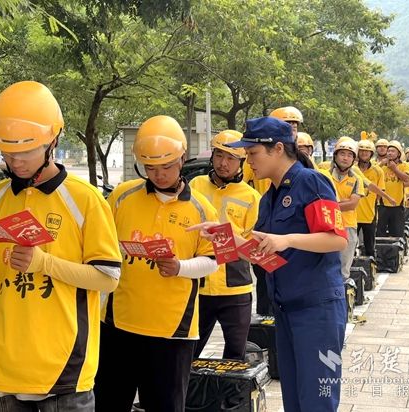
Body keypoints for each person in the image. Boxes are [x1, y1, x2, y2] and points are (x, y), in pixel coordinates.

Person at [0, 81, 122, 412]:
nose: (15, 161)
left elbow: (108, 278)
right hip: (0, 365)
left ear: (52, 141)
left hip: (62, 369)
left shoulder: (84, 200)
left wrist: (44, 263)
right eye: (6, 153)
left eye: (25, 151)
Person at [190, 116, 348, 412]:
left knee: (317, 398)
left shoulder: (311, 182)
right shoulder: (268, 198)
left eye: (252, 153)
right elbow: (263, 255)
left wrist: (287, 240)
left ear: (277, 149)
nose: (248, 161)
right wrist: (224, 236)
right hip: (285, 309)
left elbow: (336, 239)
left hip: (317, 310)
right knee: (294, 399)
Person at [94, 115, 218, 412]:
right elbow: (101, 242)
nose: (159, 175)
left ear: (182, 159)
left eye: (166, 167)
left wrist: (180, 268)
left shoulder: (202, 207)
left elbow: (213, 261)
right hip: (118, 324)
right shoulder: (122, 197)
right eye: (150, 168)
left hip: (172, 331)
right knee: (108, 403)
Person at [189, 130, 261, 360]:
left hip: (235, 287)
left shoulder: (252, 197)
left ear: (242, 162)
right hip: (199, 284)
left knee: (236, 354)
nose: (223, 163)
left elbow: (253, 249)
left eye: (231, 158)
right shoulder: (195, 185)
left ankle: (230, 387)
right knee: (188, 352)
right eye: (219, 155)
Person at [330, 138, 364, 281]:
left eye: (350, 155)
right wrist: (344, 202)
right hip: (327, 225)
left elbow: (352, 204)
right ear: (335, 156)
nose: (345, 158)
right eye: (342, 154)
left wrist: (331, 205)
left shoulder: (356, 179)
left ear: (353, 160)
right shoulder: (324, 175)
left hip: (347, 226)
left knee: (344, 267)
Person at [356, 140, 386, 258]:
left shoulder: (378, 171)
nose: (364, 153)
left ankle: (370, 267)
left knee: (370, 247)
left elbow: (380, 192)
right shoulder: (351, 169)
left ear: (371, 153)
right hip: (352, 214)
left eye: (367, 151)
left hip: (369, 214)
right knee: (350, 246)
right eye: (361, 151)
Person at [377, 140, 409, 237]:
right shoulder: (382, 166)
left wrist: (395, 169)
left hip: (398, 204)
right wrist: (380, 164)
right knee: (380, 233)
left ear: (399, 153)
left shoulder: (404, 165)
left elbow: (406, 178)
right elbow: (373, 174)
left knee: (397, 233)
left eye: (393, 151)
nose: (390, 153)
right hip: (382, 204)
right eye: (388, 151)